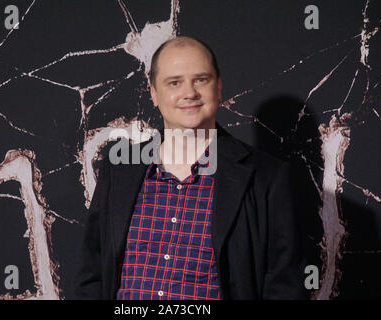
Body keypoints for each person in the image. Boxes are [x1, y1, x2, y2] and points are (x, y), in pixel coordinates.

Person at [73, 36, 308, 300]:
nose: (189, 93)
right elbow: (91, 274)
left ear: (218, 87)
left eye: (201, 80)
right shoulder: (120, 169)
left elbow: (285, 285)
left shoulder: (267, 177)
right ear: (153, 93)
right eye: (174, 82)